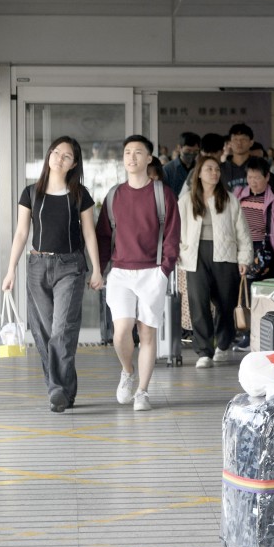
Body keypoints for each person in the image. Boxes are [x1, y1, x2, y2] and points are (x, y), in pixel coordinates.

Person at [1, 137, 104, 413]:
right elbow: (22, 233)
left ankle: (57, 389)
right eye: (56, 152)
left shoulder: (80, 194)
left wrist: (96, 268)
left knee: (61, 330)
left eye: (66, 156)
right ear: (49, 155)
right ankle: (60, 391)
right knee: (44, 333)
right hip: (37, 266)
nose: (59, 158)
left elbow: (89, 233)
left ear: (74, 164)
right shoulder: (31, 193)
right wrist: (10, 270)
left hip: (70, 266)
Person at [96, 134, 182, 412]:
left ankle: (142, 392)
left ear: (148, 158)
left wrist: (164, 271)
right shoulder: (113, 196)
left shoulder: (162, 193)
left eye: (138, 153)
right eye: (127, 153)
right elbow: (103, 236)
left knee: (147, 334)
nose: (131, 157)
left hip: (152, 273)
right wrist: (100, 270)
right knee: (121, 333)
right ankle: (127, 371)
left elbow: (172, 236)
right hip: (120, 272)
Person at [177, 155, 253, 369]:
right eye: (209, 169)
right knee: (198, 303)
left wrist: (244, 257)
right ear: (199, 173)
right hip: (195, 255)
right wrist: (177, 252)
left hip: (225, 255)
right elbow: (176, 230)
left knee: (225, 303)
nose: (214, 173)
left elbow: (242, 231)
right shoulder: (186, 200)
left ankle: (223, 344)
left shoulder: (229, 199)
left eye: (217, 169)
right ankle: (204, 352)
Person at [234, 157, 274, 281]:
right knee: (243, 288)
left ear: (267, 177)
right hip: (241, 250)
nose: (253, 182)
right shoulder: (238, 195)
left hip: (264, 249)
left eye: (257, 178)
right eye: (250, 177)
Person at [162, 132, 201, 198]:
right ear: (179, 148)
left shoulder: (200, 168)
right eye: (188, 150)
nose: (192, 153)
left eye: (195, 151)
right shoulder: (167, 169)